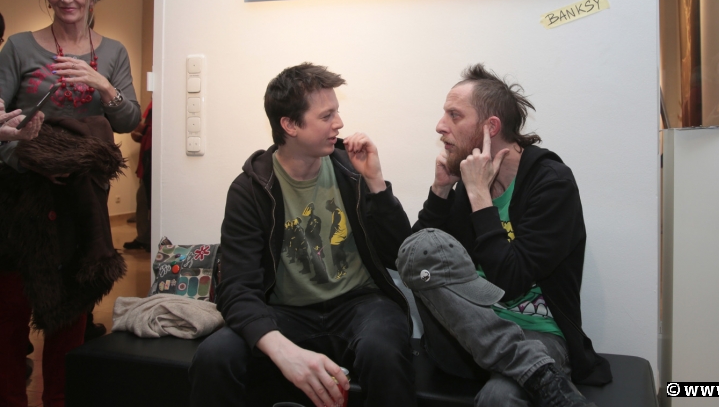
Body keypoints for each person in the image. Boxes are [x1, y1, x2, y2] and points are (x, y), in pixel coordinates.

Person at [189, 63, 416, 407]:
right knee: (214, 356)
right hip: (285, 311)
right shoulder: (250, 190)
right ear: (290, 125)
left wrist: (376, 183)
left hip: (361, 304)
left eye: (337, 112)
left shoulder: (351, 170)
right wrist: (283, 351)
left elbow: (399, 254)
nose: (339, 123)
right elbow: (237, 288)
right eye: (327, 116)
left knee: (384, 352)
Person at [397, 64, 611, 407]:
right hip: (466, 337)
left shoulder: (551, 183)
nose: (440, 126)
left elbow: (510, 282)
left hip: (537, 336)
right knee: (419, 248)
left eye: (454, 115)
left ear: (490, 127)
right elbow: (413, 261)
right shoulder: (465, 183)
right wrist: (440, 191)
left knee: (499, 398)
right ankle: (537, 374)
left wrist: (480, 197)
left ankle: (536, 371)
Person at [0, 0, 140, 407]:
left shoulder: (113, 52)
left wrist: (103, 85)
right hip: (23, 194)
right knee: (10, 311)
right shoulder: (19, 47)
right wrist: (23, 150)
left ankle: (60, 399)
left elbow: (129, 120)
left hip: (82, 198)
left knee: (72, 309)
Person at [124, 100, 153, 252]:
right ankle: (143, 237)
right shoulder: (152, 105)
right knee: (142, 199)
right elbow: (147, 132)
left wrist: (144, 130)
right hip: (147, 159)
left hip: (155, 160)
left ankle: (150, 238)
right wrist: (139, 133)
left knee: (151, 202)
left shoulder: (164, 103)